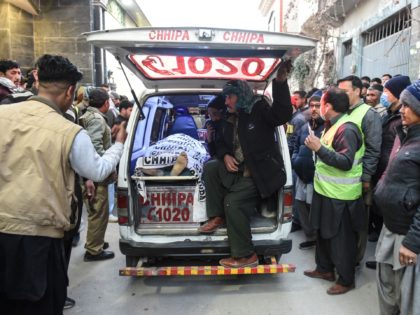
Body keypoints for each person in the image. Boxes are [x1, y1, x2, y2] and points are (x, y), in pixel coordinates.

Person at [0, 54, 126, 314]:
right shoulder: (68, 131)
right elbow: (98, 170)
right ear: (70, 91)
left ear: (38, 79)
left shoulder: (3, 114)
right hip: (39, 237)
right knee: (40, 303)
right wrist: (119, 144)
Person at [198, 60, 293, 268]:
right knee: (211, 166)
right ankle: (217, 217)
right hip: (239, 170)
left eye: (230, 97)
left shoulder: (259, 108)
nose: (227, 102)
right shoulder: (230, 118)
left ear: (240, 96)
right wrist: (224, 156)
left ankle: (245, 255)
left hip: (261, 175)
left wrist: (280, 82)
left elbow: (282, 114)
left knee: (233, 202)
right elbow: (221, 143)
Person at [304, 87, 365, 295]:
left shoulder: (346, 129)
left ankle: (346, 280)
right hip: (326, 191)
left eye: (320, 103)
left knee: (341, 240)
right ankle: (324, 269)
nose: (318, 107)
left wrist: (318, 148)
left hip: (341, 196)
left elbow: (346, 162)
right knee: (323, 233)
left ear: (328, 106)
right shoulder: (333, 125)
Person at [374, 80, 420, 314]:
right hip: (391, 227)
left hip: (408, 237)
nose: (402, 109)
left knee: (407, 299)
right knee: (387, 289)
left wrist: (413, 242)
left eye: (408, 105)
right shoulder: (407, 136)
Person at [365, 75, 412, 270]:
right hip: (383, 173)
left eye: (387, 92)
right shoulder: (389, 115)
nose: (384, 95)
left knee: (392, 223)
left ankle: (389, 261)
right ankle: (383, 258)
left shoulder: (402, 122)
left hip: (391, 174)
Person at [337, 75, 382, 265]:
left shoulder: (368, 114)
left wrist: (366, 179)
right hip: (341, 181)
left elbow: (373, 149)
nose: (341, 95)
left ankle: (354, 261)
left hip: (360, 180)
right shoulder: (341, 112)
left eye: (345, 91)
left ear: (358, 91)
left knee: (359, 223)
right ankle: (341, 258)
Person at [79, 88, 117, 261]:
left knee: (97, 212)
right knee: (98, 213)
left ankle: (96, 242)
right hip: (96, 176)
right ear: (106, 103)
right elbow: (94, 148)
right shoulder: (97, 120)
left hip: (91, 175)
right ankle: (94, 250)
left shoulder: (88, 116)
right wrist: (103, 167)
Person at [291, 94, 324, 250]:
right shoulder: (305, 126)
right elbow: (296, 145)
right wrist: (295, 160)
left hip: (316, 176)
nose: (314, 109)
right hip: (301, 174)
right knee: (300, 204)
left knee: (314, 207)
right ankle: (310, 236)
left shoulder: (328, 128)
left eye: (318, 105)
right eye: (312, 106)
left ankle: (319, 239)